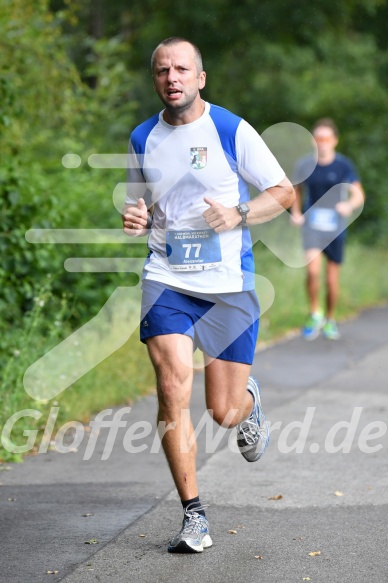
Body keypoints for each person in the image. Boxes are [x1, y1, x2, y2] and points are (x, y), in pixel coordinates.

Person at [122, 37, 295, 553]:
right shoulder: (141, 137)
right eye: (161, 70)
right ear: (154, 79)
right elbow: (143, 208)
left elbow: (284, 193)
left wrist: (240, 214)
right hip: (168, 277)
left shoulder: (229, 129)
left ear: (200, 77)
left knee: (222, 410)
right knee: (172, 384)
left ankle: (250, 403)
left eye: (181, 69)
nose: (171, 77)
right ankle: (193, 516)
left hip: (227, 285)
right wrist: (132, 217)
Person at [291, 118, 365, 340]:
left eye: (326, 138)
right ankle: (315, 313)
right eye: (317, 138)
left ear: (334, 141)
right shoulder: (304, 165)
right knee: (312, 271)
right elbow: (296, 190)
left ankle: (331, 319)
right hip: (313, 226)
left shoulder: (343, 165)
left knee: (332, 281)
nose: (321, 142)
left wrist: (349, 205)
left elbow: (358, 194)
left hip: (336, 227)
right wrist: (295, 213)